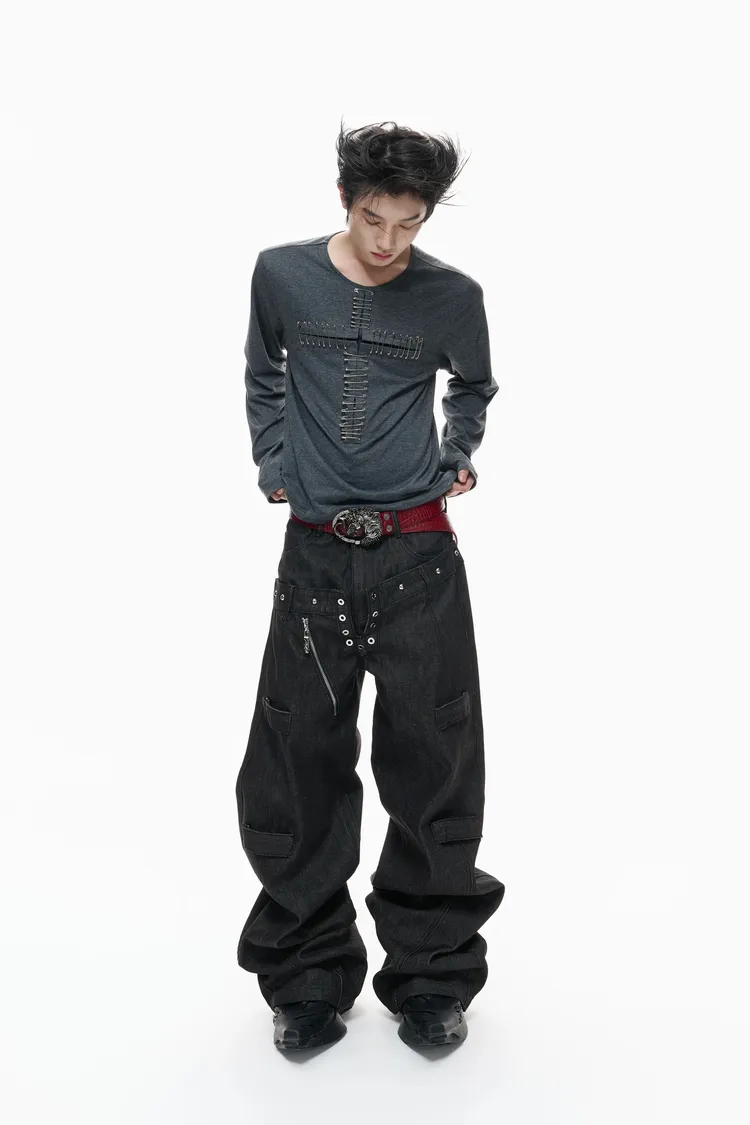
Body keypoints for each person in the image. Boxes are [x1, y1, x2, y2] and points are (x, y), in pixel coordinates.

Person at [235, 120, 506, 1051]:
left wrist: (457, 451)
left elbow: (474, 385)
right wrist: (274, 457)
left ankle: (431, 977)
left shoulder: (452, 296)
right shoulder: (281, 274)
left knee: (435, 768)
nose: (389, 241)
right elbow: (263, 371)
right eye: (373, 218)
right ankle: (306, 978)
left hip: (417, 557)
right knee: (294, 768)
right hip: (313, 557)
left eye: (409, 223)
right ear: (345, 201)